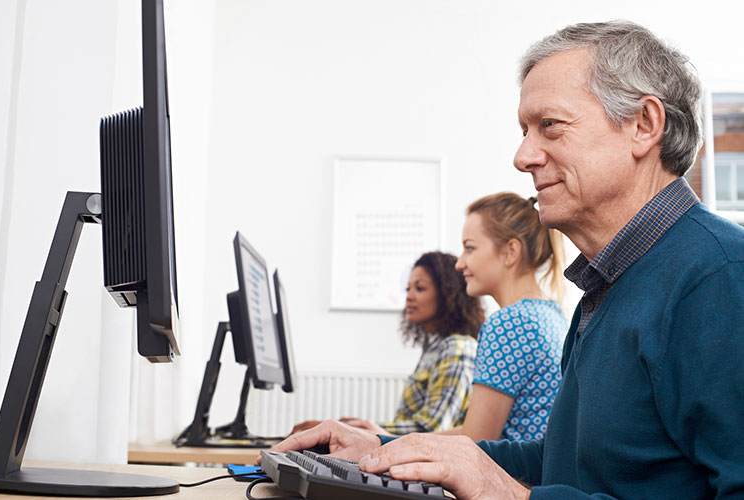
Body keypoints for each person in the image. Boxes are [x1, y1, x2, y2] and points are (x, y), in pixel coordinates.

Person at [267, 20, 744, 500]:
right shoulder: (610, 286)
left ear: (643, 125)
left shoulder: (720, 278)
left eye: (549, 126)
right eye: (524, 131)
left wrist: (513, 496)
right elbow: (560, 462)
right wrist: (385, 450)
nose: (522, 156)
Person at [292, 251, 484, 435]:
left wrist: (353, 429)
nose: (409, 296)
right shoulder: (435, 349)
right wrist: (357, 427)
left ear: (447, 294)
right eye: (408, 289)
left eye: (420, 288)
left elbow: (432, 430)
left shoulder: (458, 348)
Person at [438, 192, 567, 442]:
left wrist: (388, 444)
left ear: (510, 252)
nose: (459, 263)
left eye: (470, 248)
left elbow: (476, 442)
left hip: (516, 478)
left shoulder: (510, 324)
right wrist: (394, 439)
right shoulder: (551, 314)